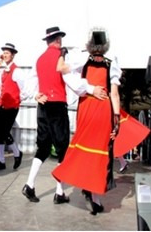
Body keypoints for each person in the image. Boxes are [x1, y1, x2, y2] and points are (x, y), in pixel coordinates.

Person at [23, 26, 105, 204]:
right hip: (57, 106)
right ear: (59, 40)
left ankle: (29, 184)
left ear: (47, 41)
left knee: (43, 147)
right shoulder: (62, 57)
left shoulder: (39, 59)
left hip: (42, 106)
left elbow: (29, 82)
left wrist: (36, 94)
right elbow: (73, 81)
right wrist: (91, 89)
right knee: (62, 149)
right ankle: (59, 192)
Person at [53, 29, 122, 215]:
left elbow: (61, 69)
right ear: (106, 45)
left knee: (79, 147)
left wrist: (63, 52)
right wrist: (117, 120)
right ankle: (95, 198)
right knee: (99, 154)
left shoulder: (82, 59)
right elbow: (114, 94)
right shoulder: (112, 62)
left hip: (87, 107)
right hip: (104, 108)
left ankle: (61, 187)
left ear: (89, 44)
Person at [0, 43, 26, 170]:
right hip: (2, 104)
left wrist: (17, 100)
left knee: (3, 132)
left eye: (7, 53)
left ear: (13, 55)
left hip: (12, 106)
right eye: (4, 52)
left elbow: (25, 90)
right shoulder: (4, 70)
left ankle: (17, 153)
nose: (5, 55)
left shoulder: (17, 71)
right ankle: (1, 161)